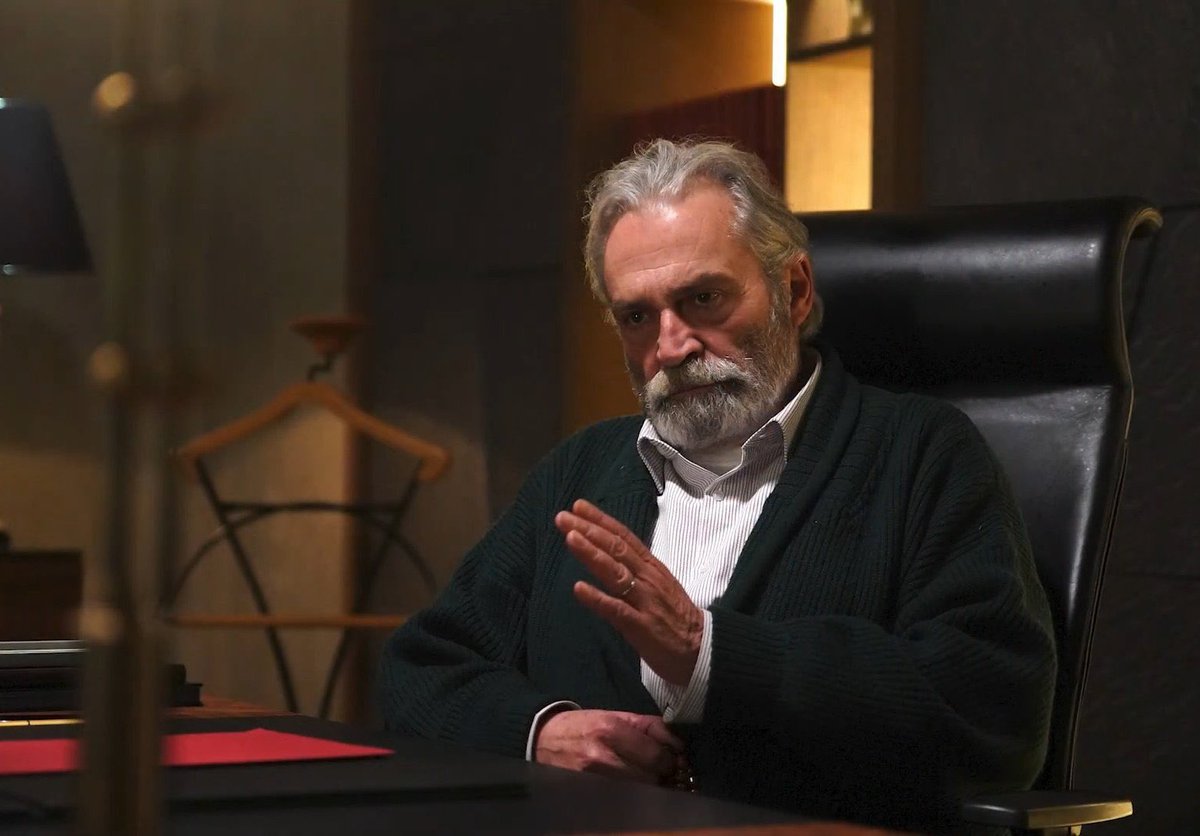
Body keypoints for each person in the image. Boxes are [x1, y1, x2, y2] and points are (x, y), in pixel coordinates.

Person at [378, 139, 1056, 834]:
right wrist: (539, 731)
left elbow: (994, 713)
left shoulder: (920, 455)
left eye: (702, 299)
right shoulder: (579, 470)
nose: (671, 346)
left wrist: (713, 656)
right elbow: (417, 672)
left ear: (794, 291)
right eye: (637, 317)